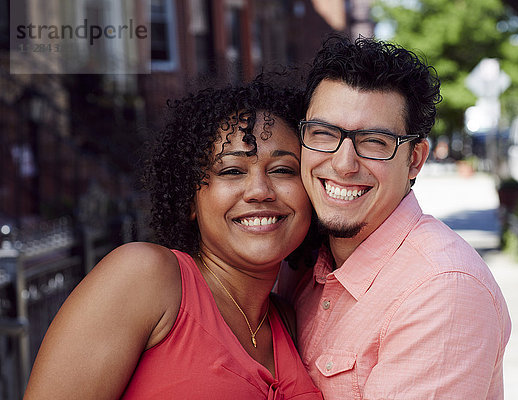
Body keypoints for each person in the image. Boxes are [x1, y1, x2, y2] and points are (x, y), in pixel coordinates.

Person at [24, 77, 323, 399]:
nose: (260, 191)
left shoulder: (290, 320)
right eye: (232, 171)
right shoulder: (144, 277)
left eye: (282, 170)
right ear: (189, 199)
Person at [280, 35, 512, 399]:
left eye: (374, 141)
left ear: (415, 159)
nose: (343, 164)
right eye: (323, 134)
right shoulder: (303, 263)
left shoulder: (442, 289)